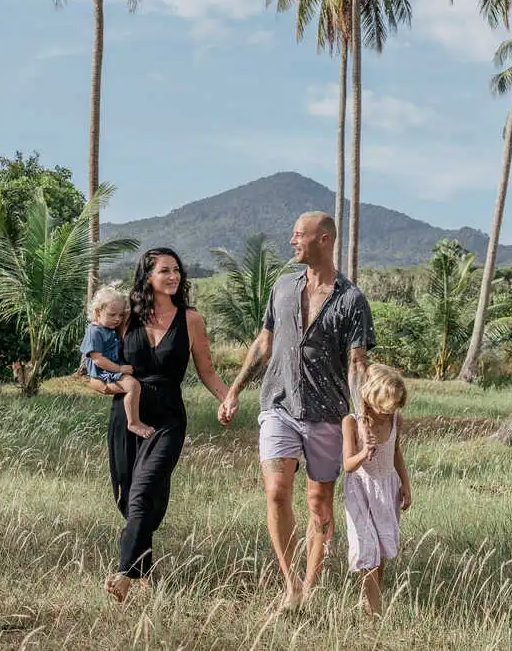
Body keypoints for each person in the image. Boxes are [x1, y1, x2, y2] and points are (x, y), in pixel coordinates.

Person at [218, 212, 375, 610]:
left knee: (319, 502)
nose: (292, 242)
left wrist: (363, 420)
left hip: (328, 414)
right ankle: (291, 585)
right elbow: (264, 342)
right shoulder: (283, 287)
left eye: (299, 235)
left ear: (324, 240)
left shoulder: (351, 299)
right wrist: (234, 390)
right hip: (279, 404)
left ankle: (310, 583)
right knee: (276, 491)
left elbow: (357, 365)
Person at [104, 247, 232, 602]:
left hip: (168, 419)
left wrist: (227, 397)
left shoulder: (190, 319)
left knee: (145, 488)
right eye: (165, 271)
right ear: (148, 276)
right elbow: (96, 366)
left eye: (177, 269)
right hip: (127, 417)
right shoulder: (125, 317)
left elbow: (206, 371)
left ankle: (125, 572)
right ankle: (144, 570)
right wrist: (113, 385)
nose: (174, 276)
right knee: (129, 497)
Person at [342, 364, 411, 616]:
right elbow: (348, 465)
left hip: (386, 489)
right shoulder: (351, 423)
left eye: (393, 409)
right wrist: (364, 452)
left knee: (380, 552)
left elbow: (395, 452)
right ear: (369, 398)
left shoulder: (395, 419)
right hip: (360, 491)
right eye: (384, 409)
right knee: (367, 550)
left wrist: (405, 483)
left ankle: (370, 600)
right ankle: (375, 612)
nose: (388, 414)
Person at [82, 286, 154, 440]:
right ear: (97, 312)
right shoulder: (94, 331)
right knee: (132, 386)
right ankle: (134, 422)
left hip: (111, 371)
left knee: (133, 385)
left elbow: (127, 313)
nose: (117, 319)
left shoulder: (108, 327)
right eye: (112, 314)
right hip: (104, 372)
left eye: (120, 315)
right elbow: (97, 359)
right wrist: (119, 368)